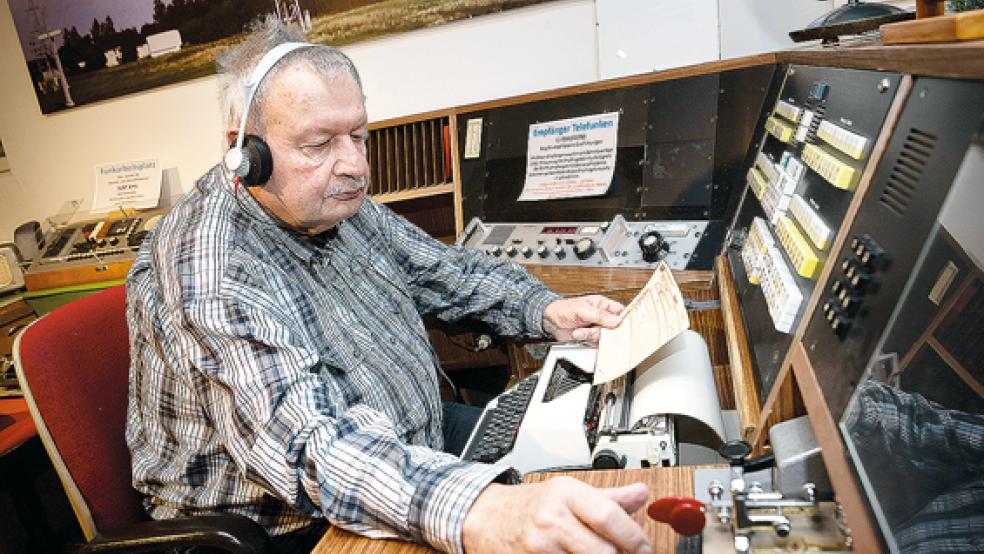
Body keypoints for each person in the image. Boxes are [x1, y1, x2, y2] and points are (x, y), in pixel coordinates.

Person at [126, 16, 652, 554]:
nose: (355, 164)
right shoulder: (210, 263)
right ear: (245, 155)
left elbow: (449, 273)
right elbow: (310, 446)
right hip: (289, 522)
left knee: (589, 476)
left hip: (412, 445)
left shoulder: (339, 204)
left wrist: (545, 310)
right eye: (319, 143)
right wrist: (481, 509)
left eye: (358, 134)